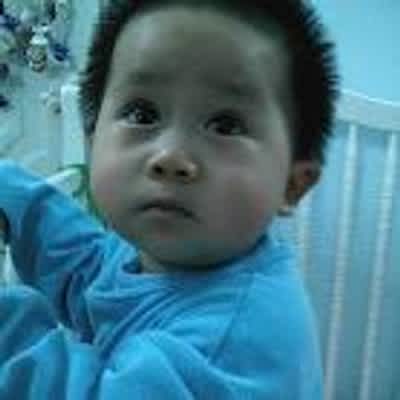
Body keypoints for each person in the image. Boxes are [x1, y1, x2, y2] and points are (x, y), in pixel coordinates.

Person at [0, 0, 339, 398]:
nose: (171, 156)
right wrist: (11, 193)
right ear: (93, 143)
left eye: (225, 125)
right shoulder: (155, 254)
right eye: (142, 114)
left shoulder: (234, 339)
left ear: (292, 185)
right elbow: (88, 271)